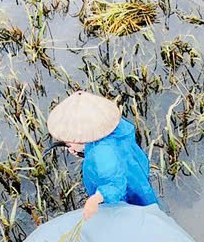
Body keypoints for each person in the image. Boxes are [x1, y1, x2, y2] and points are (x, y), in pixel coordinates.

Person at [46, 91, 157, 220]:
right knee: (145, 205)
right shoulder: (114, 128)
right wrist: (83, 148)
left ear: (82, 136)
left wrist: (96, 199)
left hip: (126, 192)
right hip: (133, 170)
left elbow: (116, 185)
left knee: (131, 215)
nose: (68, 146)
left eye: (69, 142)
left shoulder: (102, 154)